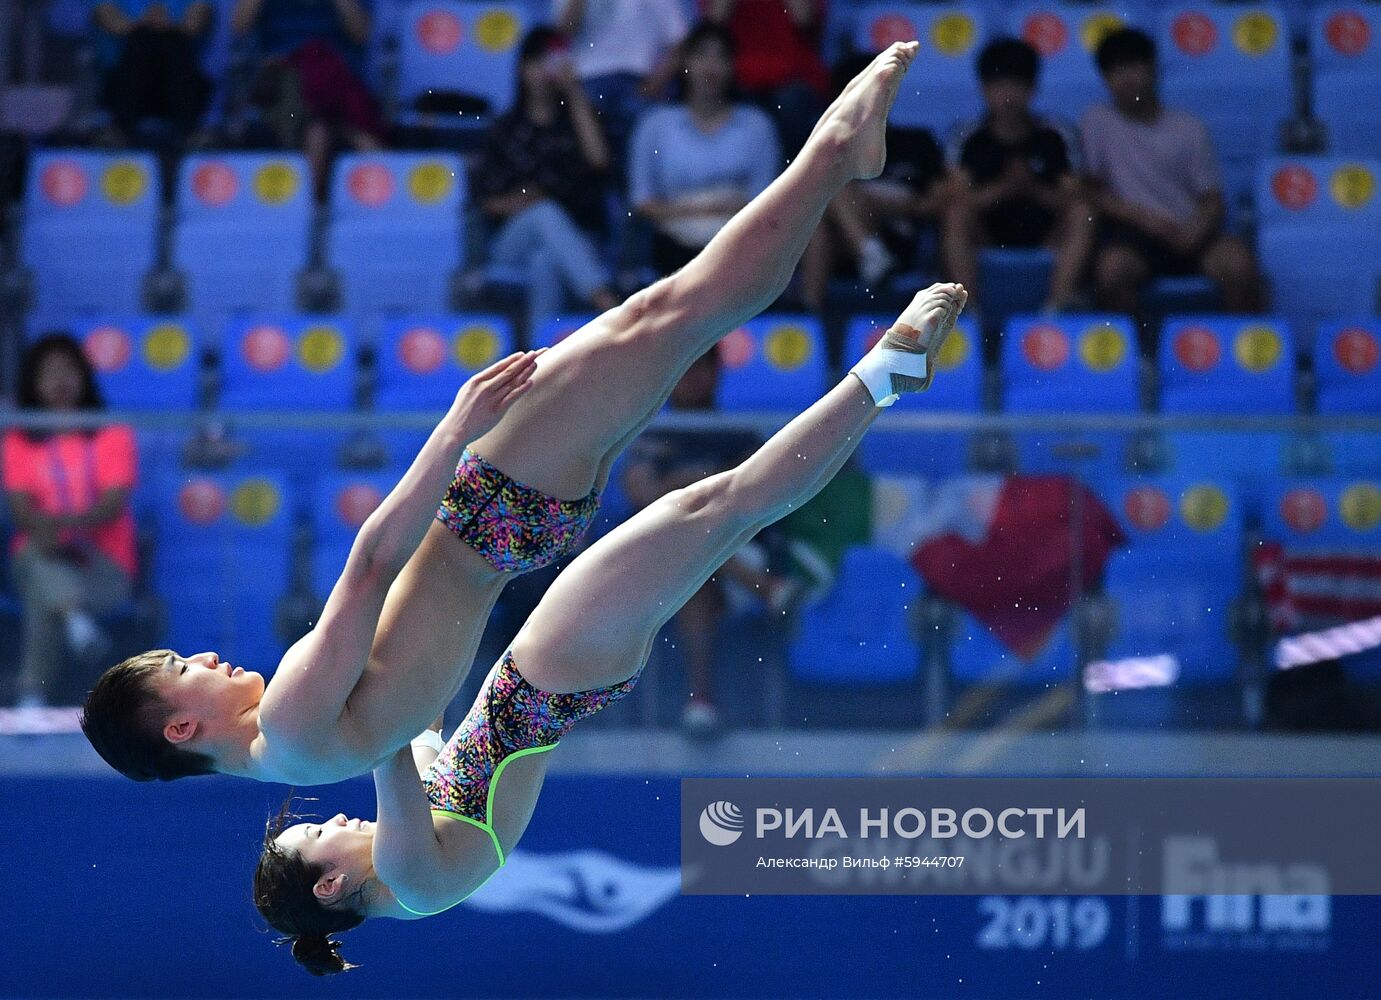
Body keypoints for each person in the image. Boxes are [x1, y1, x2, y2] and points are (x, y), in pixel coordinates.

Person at [80, 43, 924, 788]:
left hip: (516, 538)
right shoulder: (292, 722)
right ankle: (836, 156)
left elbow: (418, 722)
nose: (205, 657)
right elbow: (373, 561)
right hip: (486, 511)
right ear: (180, 726)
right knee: (669, 315)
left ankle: (868, 303)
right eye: (183, 668)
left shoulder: (302, 761)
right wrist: (454, 430)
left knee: (683, 349)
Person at [253, 281, 966, 976]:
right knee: (721, 506)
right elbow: (385, 742)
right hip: (552, 671)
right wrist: (312, 722)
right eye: (318, 835)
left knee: (722, 507)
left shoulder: (413, 878)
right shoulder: (408, 879)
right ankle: (882, 375)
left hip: (557, 672)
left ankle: (868, 371)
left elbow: (417, 714)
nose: (335, 821)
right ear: (329, 886)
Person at [621, 350, 774, 733]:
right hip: (662, 570)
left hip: (737, 552)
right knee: (690, 562)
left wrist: (680, 485)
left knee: (693, 564)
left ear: (714, 374)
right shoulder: (653, 438)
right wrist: (709, 483)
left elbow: (755, 497)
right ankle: (771, 591)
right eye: (684, 368)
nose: (691, 378)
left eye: (700, 368)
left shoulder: (742, 435)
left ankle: (701, 698)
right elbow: (641, 492)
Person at [1081, 27, 1263, 316]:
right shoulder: (1097, 121)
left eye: (1134, 67)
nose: (1126, 79)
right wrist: (1146, 220)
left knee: (1240, 265)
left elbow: (1213, 200)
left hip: (1190, 232)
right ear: (1105, 79)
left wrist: (1193, 233)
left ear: (1153, 69)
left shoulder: (1189, 127)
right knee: (1111, 271)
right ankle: (1134, 358)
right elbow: (1090, 190)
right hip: (1135, 238)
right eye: (1115, 71)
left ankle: (1247, 356)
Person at [3, 336, 138, 708]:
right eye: (49, 373)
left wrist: (59, 527)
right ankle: (74, 619)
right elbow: (21, 511)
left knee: (42, 594)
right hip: (39, 555)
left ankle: (32, 694)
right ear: (33, 382)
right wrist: (48, 533)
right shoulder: (18, 440)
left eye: (68, 370)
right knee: (36, 560)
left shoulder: (112, 434)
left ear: (85, 377)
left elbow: (111, 505)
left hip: (102, 566)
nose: (59, 380)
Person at [473, 27, 620, 335]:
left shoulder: (577, 122)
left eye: (551, 62)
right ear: (521, 68)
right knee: (544, 213)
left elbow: (599, 160)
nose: (543, 72)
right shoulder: (503, 129)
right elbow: (486, 203)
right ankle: (606, 303)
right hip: (512, 241)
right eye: (536, 63)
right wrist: (525, 201)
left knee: (545, 263)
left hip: (579, 239)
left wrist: (575, 92)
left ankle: (538, 362)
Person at [946, 38, 1093, 313]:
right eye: (999, 86)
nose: (1008, 96)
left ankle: (1057, 307)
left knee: (1083, 213)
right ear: (984, 89)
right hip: (987, 235)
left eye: (1017, 85)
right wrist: (1003, 189)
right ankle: (967, 312)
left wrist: (1031, 188)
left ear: (1033, 88)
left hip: (1047, 236)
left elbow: (1074, 197)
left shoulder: (1056, 134)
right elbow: (958, 200)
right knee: (955, 217)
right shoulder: (968, 137)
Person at [800, 55, 951, 313]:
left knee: (835, 190)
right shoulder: (825, 147)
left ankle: (872, 256)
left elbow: (943, 201)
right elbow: (801, 205)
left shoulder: (917, 142)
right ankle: (810, 320)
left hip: (902, 239)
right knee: (822, 216)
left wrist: (888, 206)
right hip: (841, 249)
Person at [628, 22, 781, 278]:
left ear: (733, 66)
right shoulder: (654, 124)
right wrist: (700, 212)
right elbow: (642, 201)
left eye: (720, 56)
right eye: (701, 55)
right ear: (685, 63)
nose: (710, 66)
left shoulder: (757, 125)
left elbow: (766, 199)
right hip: (672, 241)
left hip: (739, 239)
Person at [230, 0, 385, 197]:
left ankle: (306, 205)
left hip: (332, 74)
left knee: (321, 120)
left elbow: (362, 33)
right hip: (283, 73)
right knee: (322, 124)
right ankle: (309, 204)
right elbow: (239, 26)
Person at [553, 0, 688, 177]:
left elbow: (679, 41)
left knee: (641, 162)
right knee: (580, 161)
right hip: (586, 84)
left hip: (638, 83)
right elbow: (563, 32)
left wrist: (655, 84)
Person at [702, 0, 829, 158]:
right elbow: (714, 23)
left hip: (791, 76)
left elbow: (802, 18)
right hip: (739, 76)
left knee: (790, 104)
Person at [94, 0, 213, 145]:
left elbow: (194, 24)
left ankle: (190, 131)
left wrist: (163, 27)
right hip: (126, 77)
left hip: (178, 77)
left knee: (173, 43)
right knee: (141, 40)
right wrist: (147, 24)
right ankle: (119, 129)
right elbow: (111, 21)